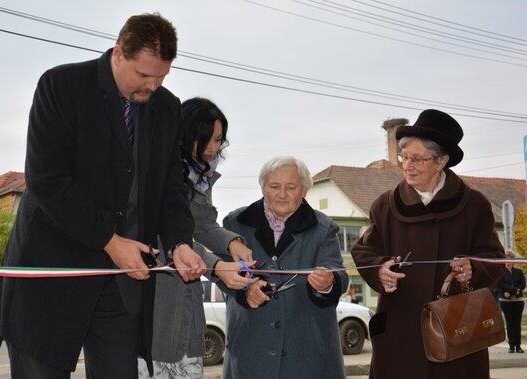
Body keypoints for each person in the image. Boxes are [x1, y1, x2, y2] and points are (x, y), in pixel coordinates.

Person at [0, 13, 206, 379]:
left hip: (121, 287)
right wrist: (109, 240)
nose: (152, 87)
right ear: (119, 54)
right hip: (51, 281)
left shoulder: (167, 109)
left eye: (162, 76)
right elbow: (48, 181)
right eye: (143, 75)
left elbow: (171, 190)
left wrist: (181, 242)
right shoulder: (61, 86)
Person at [350, 109, 505, 379]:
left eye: (417, 159)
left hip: (457, 331)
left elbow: (494, 256)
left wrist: (473, 269)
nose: (407, 166)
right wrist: (379, 270)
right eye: (404, 157)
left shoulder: (475, 205)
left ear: (441, 160)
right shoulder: (385, 204)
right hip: (400, 330)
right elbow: (364, 250)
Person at [137, 97, 256, 378]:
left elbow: (202, 226)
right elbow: (174, 238)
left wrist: (232, 242)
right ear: (186, 135)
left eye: (219, 140)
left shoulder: (202, 176)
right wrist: (217, 266)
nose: (213, 148)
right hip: (158, 299)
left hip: (188, 301)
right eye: (207, 140)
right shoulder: (163, 174)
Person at [221, 156, 349, 379]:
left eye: (291, 187)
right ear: (262, 187)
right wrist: (243, 291)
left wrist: (328, 283)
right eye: (274, 186)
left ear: (304, 191)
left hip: (309, 356)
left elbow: (338, 272)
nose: (282, 194)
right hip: (251, 349)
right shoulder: (235, 224)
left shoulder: (323, 229)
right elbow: (219, 273)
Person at [497, 250, 525, 353]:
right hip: (506, 302)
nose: (508, 261)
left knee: (517, 323)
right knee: (510, 323)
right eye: (505, 259)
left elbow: (522, 284)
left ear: (513, 260)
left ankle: (518, 346)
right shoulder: (500, 272)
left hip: (518, 301)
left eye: (510, 259)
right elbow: (500, 284)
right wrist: (515, 291)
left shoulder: (519, 272)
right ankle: (511, 346)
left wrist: (512, 291)